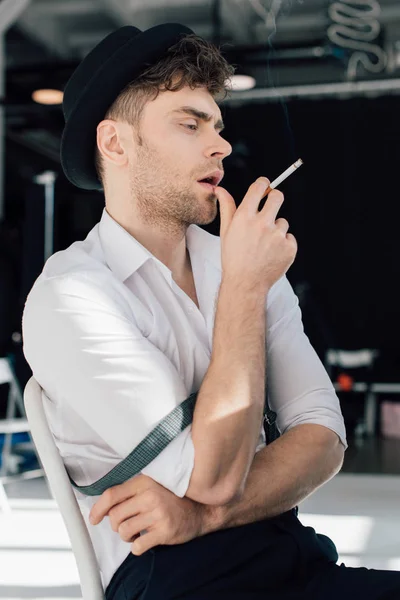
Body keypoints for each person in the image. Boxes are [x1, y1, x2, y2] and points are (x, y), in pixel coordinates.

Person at [22, 24, 400, 600]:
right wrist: (246, 287)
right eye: (190, 123)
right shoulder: (74, 294)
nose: (220, 145)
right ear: (116, 144)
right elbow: (213, 477)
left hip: (292, 557)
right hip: (177, 580)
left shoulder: (238, 263)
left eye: (217, 127)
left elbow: (324, 438)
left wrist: (202, 515)